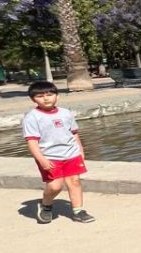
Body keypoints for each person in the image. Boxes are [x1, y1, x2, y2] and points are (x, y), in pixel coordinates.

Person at [22, 80, 94, 224]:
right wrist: (41, 159)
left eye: (49, 94)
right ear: (33, 99)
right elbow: (32, 141)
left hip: (71, 153)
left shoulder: (66, 113)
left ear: (57, 96)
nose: (46, 98)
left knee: (74, 181)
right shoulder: (32, 117)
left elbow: (74, 133)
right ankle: (46, 205)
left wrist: (80, 149)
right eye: (40, 96)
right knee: (55, 186)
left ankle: (78, 211)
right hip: (49, 157)